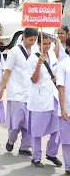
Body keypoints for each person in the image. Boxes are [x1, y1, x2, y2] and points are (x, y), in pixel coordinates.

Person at [0, 28, 38, 155]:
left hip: (31, 93)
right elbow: (7, 72)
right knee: (17, 121)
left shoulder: (36, 51)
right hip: (16, 92)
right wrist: (1, 90)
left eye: (34, 40)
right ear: (24, 37)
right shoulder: (14, 52)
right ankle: (11, 139)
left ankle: (25, 146)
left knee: (29, 123)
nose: (32, 42)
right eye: (30, 40)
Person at [27, 32, 62, 168]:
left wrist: (56, 76)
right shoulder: (31, 59)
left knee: (57, 128)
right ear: (38, 44)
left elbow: (56, 69)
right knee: (37, 131)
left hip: (53, 97)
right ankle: (35, 157)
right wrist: (39, 63)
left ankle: (51, 153)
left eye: (49, 43)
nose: (47, 46)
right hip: (39, 99)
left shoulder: (52, 54)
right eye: (44, 44)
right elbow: (34, 80)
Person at [57, 37, 70, 175]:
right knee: (67, 140)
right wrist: (62, 109)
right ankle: (68, 166)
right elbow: (61, 88)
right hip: (67, 108)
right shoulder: (63, 65)